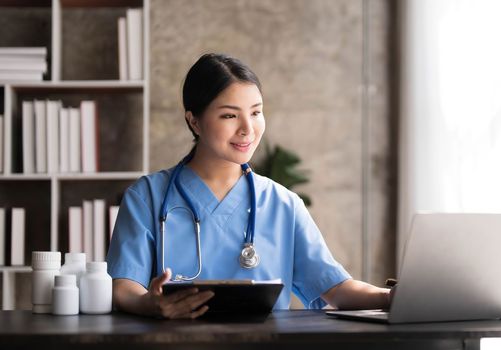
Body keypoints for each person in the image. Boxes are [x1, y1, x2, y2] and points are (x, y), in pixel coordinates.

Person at [106, 53, 390, 319]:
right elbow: (124, 289)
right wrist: (150, 304)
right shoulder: (146, 197)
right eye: (230, 115)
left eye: (256, 112)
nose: (248, 128)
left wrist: (391, 297)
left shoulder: (283, 204)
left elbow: (336, 288)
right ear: (194, 121)